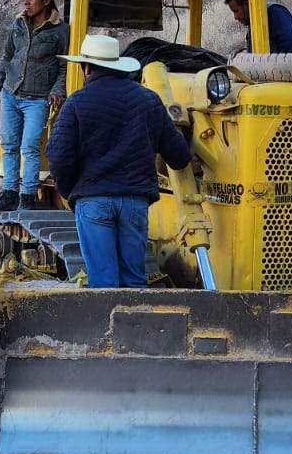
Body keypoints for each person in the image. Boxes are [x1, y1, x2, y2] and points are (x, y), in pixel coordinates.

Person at [45, 35, 191, 288]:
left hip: (94, 202)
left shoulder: (76, 103)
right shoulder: (148, 100)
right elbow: (178, 156)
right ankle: (136, 326)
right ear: (117, 65)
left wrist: (72, 193)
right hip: (134, 202)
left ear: (87, 68)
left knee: (104, 284)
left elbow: (58, 157)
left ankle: (109, 327)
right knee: (135, 282)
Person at [0, 0, 67, 211]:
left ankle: (28, 196)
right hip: (11, 93)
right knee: (9, 144)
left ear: (47, 1)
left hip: (37, 99)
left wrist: (57, 90)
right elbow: (7, 58)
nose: (26, 2)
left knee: (30, 146)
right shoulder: (17, 25)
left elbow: (63, 67)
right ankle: (9, 193)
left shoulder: (61, 31)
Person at [223, 0, 292, 54]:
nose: (235, 17)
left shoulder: (274, 12)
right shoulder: (253, 25)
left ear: (246, 4)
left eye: (236, 11)